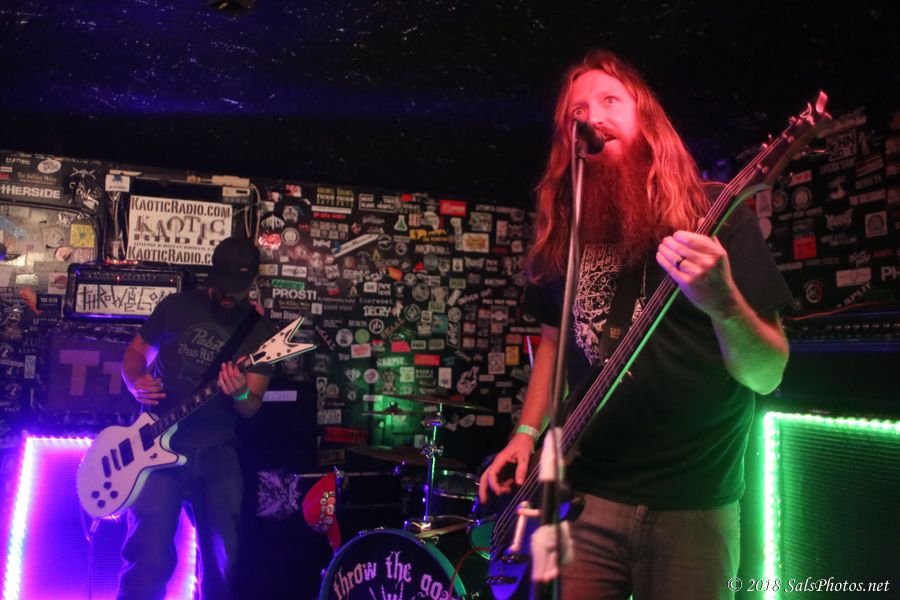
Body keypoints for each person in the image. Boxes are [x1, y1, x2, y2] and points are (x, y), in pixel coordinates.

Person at [479, 50, 791, 600]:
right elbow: (552, 340)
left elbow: (767, 374)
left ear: (646, 119)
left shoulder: (715, 213)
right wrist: (526, 433)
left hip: (695, 503)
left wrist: (722, 302)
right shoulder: (566, 229)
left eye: (609, 101)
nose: (592, 118)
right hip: (584, 497)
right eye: (577, 112)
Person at [117, 235, 278, 600]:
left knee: (223, 561)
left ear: (252, 281)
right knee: (147, 556)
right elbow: (136, 353)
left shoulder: (262, 333)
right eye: (222, 285)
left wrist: (240, 392)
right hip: (156, 446)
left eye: (237, 288)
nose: (228, 295)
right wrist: (135, 380)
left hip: (217, 452)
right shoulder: (176, 306)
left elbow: (251, 405)